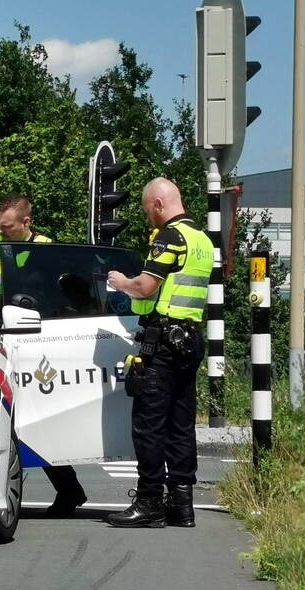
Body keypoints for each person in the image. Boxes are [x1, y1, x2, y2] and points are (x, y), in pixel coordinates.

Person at [105, 178, 213, 528]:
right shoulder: (202, 240)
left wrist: (121, 282)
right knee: (181, 424)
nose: (148, 216)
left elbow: (147, 285)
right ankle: (182, 505)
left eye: (146, 209)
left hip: (164, 340)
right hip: (191, 338)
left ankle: (149, 500)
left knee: (149, 424)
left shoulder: (171, 236)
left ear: (157, 203)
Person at [0, 194, 88, 517]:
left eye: (8, 227)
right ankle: (66, 490)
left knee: (34, 418)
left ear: (26, 223)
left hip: (34, 340)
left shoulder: (44, 247)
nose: (2, 232)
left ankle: (69, 489)